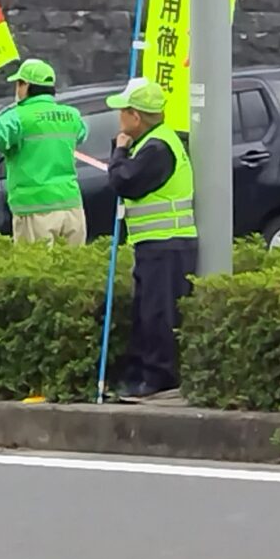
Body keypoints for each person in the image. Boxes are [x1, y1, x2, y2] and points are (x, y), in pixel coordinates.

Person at [105, 78, 198, 400]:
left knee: (159, 315)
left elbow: (124, 181)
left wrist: (119, 151)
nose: (119, 117)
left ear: (136, 116)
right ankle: (140, 375)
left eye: (123, 111)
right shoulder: (153, 143)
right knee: (146, 313)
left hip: (167, 243)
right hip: (156, 244)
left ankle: (159, 378)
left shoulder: (158, 147)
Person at [0, 58, 87, 246]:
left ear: (25, 85)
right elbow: (82, 134)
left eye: (18, 84)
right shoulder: (72, 115)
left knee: (34, 264)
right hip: (71, 206)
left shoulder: (18, 117)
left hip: (34, 208)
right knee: (75, 263)